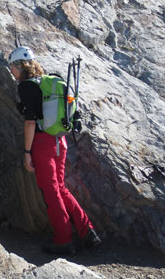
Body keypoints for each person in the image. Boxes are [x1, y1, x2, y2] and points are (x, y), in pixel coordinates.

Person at [8, 46, 101, 255]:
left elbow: (31, 122)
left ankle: (63, 240)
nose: (11, 71)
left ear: (20, 66)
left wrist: (26, 152)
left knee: (51, 193)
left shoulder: (27, 86)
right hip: (60, 141)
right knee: (61, 188)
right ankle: (88, 232)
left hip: (43, 144)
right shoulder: (47, 83)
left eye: (12, 67)